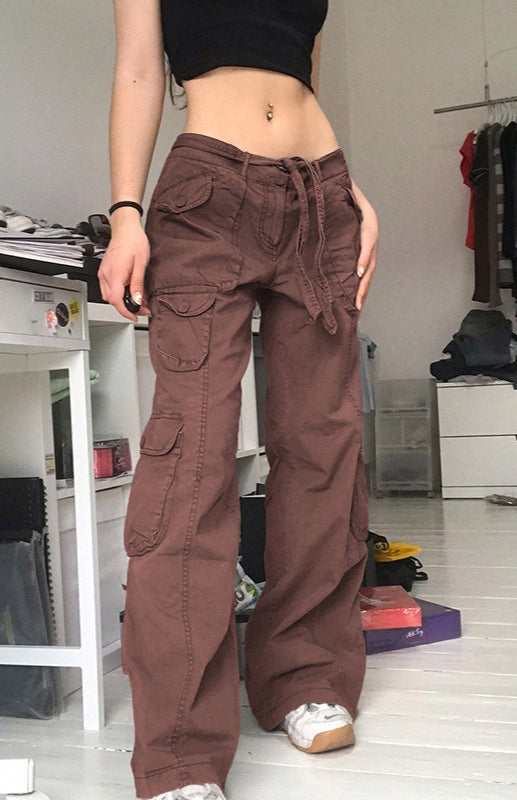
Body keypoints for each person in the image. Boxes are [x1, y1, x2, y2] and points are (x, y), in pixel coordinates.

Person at [98, 2, 379, 799]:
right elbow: (139, 68)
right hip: (207, 194)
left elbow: (300, 74)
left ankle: (304, 676)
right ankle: (180, 751)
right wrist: (125, 213)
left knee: (322, 449)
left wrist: (351, 191)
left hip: (320, 194)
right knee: (189, 463)